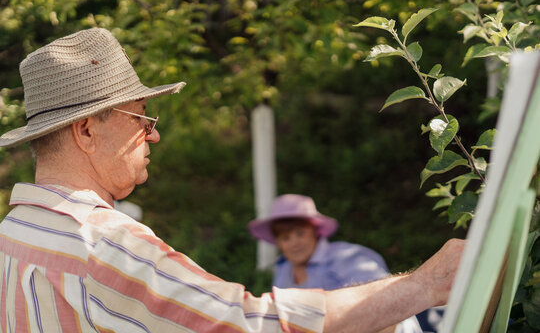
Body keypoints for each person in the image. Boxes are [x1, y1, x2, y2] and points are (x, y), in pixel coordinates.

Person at [0, 28, 464, 332]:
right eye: (141, 118)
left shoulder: (13, 233)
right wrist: (426, 284)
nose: (154, 134)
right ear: (85, 131)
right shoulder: (101, 244)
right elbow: (250, 325)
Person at [248, 194, 423, 333]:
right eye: (285, 237)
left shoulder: (348, 258)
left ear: (314, 232)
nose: (294, 243)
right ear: (278, 243)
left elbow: (387, 309)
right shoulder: (283, 268)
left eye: (300, 233)